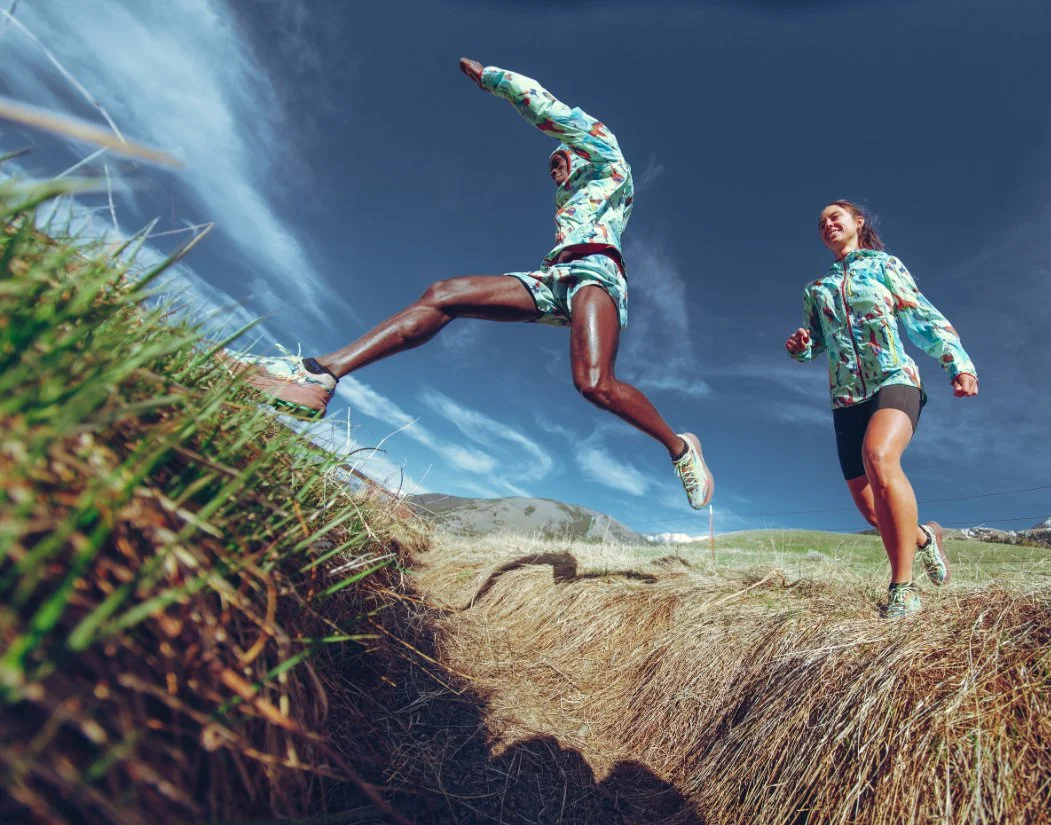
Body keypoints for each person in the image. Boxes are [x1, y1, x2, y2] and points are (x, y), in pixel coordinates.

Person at [222, 58, 713, 509]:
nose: (553, 166)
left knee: (593, 384)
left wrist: (495, 80)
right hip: (552, 277)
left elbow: (553, 112)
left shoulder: (610, 163)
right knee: (443, 294)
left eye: (560, 157)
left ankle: (679, 448)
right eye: (552, 165)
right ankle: (319, 374)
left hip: (597, 274)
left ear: (580, 151)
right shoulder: (568, 200)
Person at [786, 201, 978, 618]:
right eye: (820, 222)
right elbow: (817, 343)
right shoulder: (815, 290)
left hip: (893, 378)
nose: (827, 224)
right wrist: (802, 348)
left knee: (879, 456)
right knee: (872, 509)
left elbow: (922, 316)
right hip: (845, 398)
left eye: (835, 216)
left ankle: (902, 588)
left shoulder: (884, 266)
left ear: (858, 222)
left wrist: (957, 363)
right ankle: (926, 539)